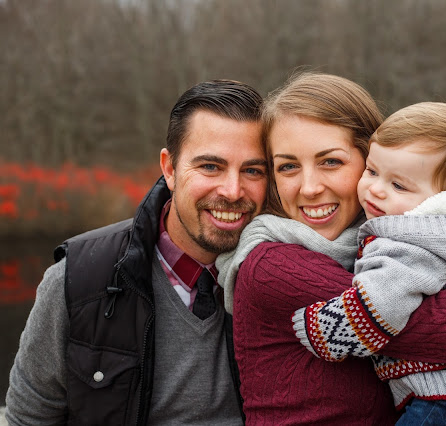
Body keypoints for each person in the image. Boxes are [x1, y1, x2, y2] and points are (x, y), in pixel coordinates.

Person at [216, 72, 446, 425]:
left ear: (371, 157)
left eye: (331, 161)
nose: (310, 187)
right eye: (288, 167)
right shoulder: (271, 264)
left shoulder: (396, 242)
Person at [5, 80, 268, 425]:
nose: (233, 191)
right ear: (170, 169)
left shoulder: (284, 280)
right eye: (210, 166)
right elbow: (29, 418)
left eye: (252, 170)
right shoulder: (77, 282)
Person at [292, 102, 446, 425]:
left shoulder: (411, 243)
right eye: (372, 171)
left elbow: (378, 307)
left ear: (444, 198)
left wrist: (319, 330)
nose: (376, 189)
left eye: (398, 185)